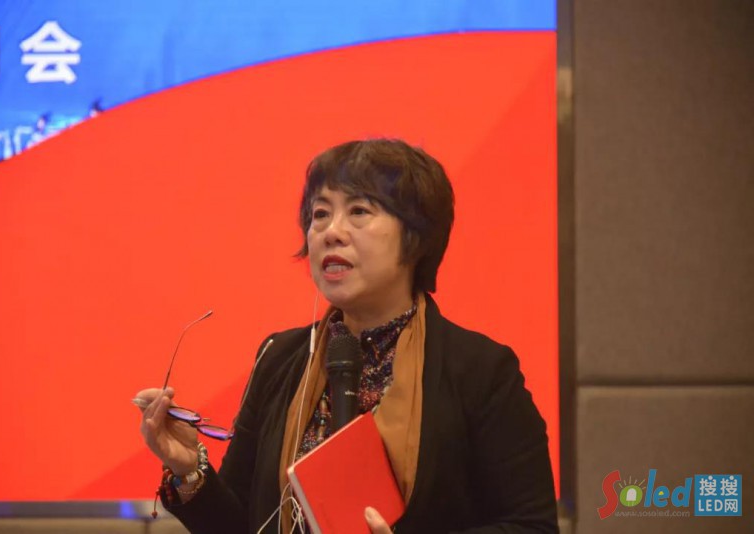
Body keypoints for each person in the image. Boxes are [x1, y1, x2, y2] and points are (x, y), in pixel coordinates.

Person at [136, 139, 558, 533]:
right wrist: (189, 471)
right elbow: (242, 524)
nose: (331, 231)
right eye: (320, 214)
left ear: (416, 237)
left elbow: (532, 526)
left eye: (358, 211)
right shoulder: (280, 357)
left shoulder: (481, 370)